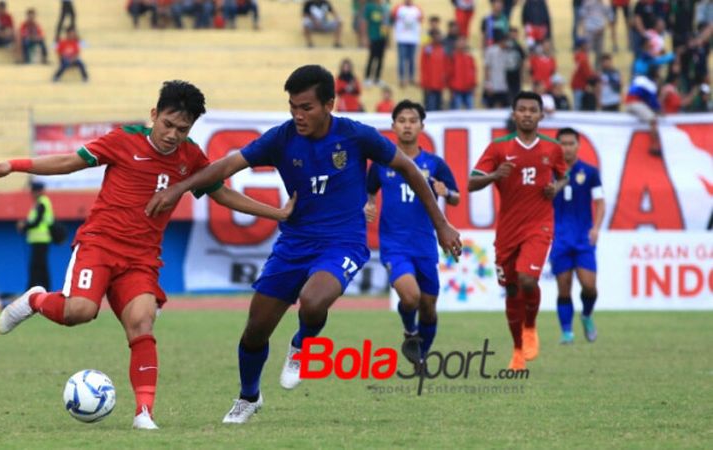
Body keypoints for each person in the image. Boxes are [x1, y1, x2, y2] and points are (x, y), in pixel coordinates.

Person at [144, 65, 462, 424]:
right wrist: (178, 189)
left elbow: (408, 169)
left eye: (306, 107)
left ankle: (301, 343)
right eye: (293, 106)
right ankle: (249, 397)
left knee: (312, 302)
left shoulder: (356, 136)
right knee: (255, 331)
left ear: (329, 103)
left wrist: (443, 225)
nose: (298, 115)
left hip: (344, 242)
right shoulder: (282, 138)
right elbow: (227, 165)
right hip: (295, 243)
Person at [0, 80, 296, 430]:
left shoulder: (191, 157)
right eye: (168, 124)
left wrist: (277, 213)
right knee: (80, 312)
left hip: (141, 259)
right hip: (99, 244)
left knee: (142, 323)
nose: (173, 135)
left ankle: (143, 413)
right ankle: (38, 300)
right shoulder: (122, 140)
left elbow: (221, 194)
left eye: (183, 129)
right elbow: (70, 161)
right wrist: (15, 164)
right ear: (153, 115)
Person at [468, 91, 568, 370]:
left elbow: (564, 176)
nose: (526, 114)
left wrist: (555, 188)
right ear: (514, 114)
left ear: (541, 115)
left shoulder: (552, 148)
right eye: (521, 109)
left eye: (532, 110)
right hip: (507, 231)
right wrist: (493, 176)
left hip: (539, 224)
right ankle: (516, 349)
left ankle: (531, 328)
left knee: (526, 279)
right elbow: (471, 182)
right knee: (511, 289)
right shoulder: (498, 148)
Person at [364, 100, 459, 370]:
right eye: (402, 120)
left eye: (412, 120)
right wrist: (368, 204)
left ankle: (420, 356)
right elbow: (369, 190)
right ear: (393, 126)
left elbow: (456, 198)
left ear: (421, 126)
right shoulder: (382, 163)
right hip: (395, 245)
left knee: (428, 306)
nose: (407, 125)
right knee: (410, 297)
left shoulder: (434, 164)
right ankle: (409, 332)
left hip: (425, 245)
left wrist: (446, 193)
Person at [550, 128, 604, 345]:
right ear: (557, 146)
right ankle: (566, 332)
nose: (567, 147)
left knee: (589, 286)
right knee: (563, 287)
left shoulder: (589, 172)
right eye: (563, 143)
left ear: (578, 145)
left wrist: (596, 228)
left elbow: (600, 202)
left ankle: (587, 315)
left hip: (583, 238)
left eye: (571, 143)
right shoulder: (549, 172)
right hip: (558, 238)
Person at [18, 182, 54, 291]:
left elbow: (36, 222)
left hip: (40, 240)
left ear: (37, 192)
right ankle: (43, 291)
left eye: (32, 192)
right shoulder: (41, 203)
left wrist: (24, 226)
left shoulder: (42, 203)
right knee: (40, 268)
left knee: (36, 268)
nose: (31, 194)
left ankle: (31, 291)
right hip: (39, 241)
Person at [391, 0, 421, 88]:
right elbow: (392, 17)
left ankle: (411, 78)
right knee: (402, 60)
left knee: (412, 59)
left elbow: (421, 19)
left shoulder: (417, 9)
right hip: (402, 38)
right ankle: (402, 78)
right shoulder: (398, 8)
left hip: (413, 39)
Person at [448, 38, 476, 109]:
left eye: (463, 42)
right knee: (456, 110)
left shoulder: (469, 57)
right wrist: (451, 88)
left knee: (470, 110)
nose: (462, 44)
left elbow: (473, 72)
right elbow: (450, 73)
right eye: (460, 42)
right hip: (457, 89)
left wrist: (473, 85)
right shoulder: (452, 57)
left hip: (468, 88)